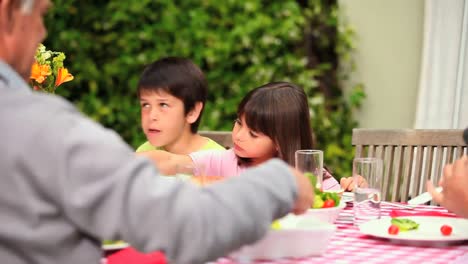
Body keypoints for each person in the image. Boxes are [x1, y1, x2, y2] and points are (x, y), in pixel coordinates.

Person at [0, 1, 314, 264]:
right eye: (40, 14)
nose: (42, 32)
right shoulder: (41, 129)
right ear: (8, 11)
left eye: (164, 105)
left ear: (194, 111)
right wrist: (282, 182)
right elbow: (188, 223)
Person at [140, 82, 347, 190]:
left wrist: (352, 188)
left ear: (280, 142)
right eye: (238, 123)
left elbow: (335, 203)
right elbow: (168, 161)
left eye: (253, 133)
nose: (238, 136)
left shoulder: (309, 176)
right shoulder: (226, 161)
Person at [135, 57, 224, 154]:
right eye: (146, 105)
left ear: (192, 111)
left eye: (163, 105)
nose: (151, 116)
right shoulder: (144, 153)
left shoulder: (217, 160)